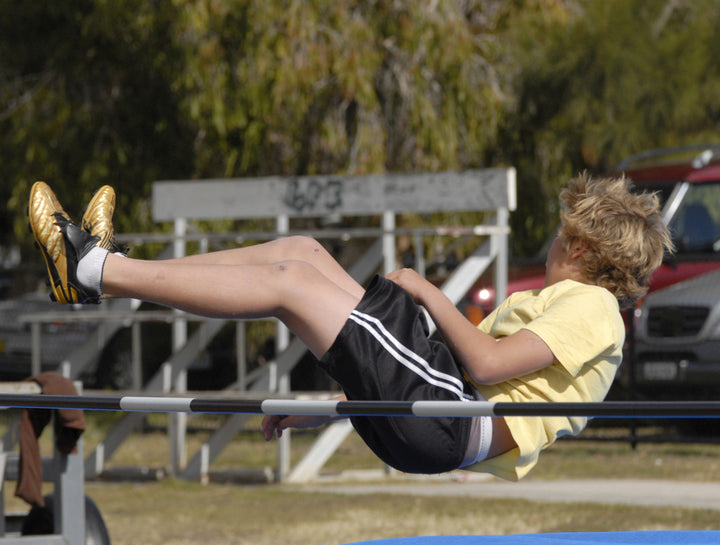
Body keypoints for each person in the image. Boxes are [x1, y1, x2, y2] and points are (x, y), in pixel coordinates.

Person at [27, 173, 672, 480]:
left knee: (291, 286)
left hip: (447, 419)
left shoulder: (591, 309)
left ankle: (94, 271)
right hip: (435, 405)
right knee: (303, 254)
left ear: (583, 251)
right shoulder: (578, 304)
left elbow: (487, 367)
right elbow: (424, 372)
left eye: (562, 237)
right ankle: (109, 267)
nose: (553, 246)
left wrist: (426, 291)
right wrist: (332, 410)